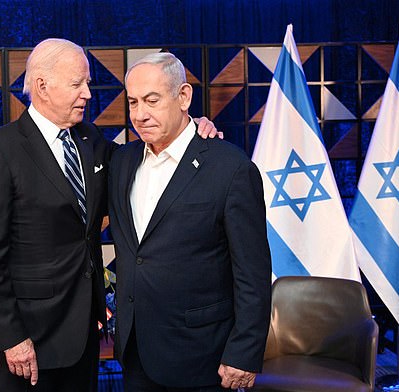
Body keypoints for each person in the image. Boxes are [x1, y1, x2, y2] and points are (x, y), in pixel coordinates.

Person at [0, 39, 218, 392]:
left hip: (83, 333)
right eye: (77, 84)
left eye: (87, 83)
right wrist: (11, 338)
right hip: (28, 340)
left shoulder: (89, 139)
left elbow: (143, 158)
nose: (87, 93)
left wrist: (190, 129)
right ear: (42, 86)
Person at [109, 52, 272, 391]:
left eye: (152, 100)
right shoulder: (120, 162)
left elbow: (252, 273)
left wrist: (244, 352)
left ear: (183, 97)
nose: (140, 114)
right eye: (134, 102)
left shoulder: (230, 168)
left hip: (202, 358)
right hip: (136, 352)